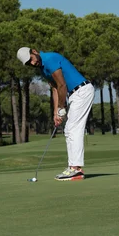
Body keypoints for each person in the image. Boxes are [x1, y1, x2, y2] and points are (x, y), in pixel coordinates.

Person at [17, 47, 94, 181]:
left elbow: (62, 85)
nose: (33, 63)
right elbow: (55, 88)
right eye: (29, 64)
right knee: (70, 130)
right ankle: (73, 168)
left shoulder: (49, 59)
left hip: (82, 91)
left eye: (32, 60)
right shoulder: (42, 68)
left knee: (72, 129)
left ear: (34, 51)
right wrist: (56, 113)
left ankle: (76, 169)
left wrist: (62, 107)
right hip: (74, 94)